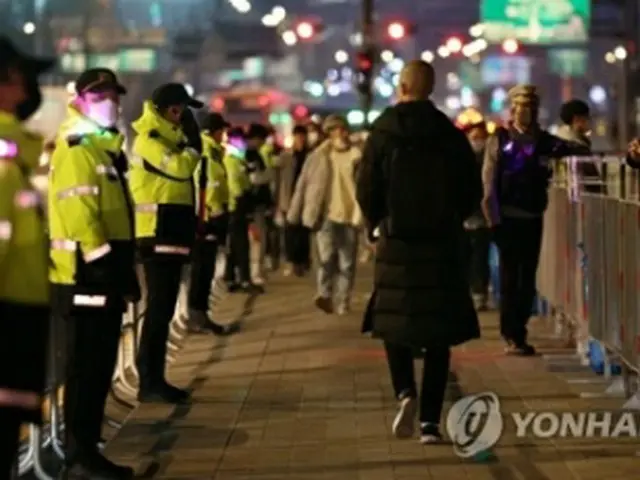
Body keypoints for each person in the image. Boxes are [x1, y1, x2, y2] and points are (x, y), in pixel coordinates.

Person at [356, 59, 482, 444]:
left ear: (402, 87)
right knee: (439, 333)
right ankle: (430, 422)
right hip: (442, 243)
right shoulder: (448, 133)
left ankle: (404, 392)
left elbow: (366, 186)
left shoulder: (382, 132)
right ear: (430, 88)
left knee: (394, 319)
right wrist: (452, 218)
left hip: (396, 241)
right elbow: (470, 189)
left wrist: (375, 223)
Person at [49, 68, 136, 478]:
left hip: (102, 275)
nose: (110, 102)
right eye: (100, 95)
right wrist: (105, 265)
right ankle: (81, 457)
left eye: (114, 95)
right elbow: (80, 215)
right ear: (80, 100)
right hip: (84, 279)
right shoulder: (77, 148)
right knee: (85, 372)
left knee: (99, 368)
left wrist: (121, 272)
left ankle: (87, 451)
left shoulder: (103, 150)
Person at [481, 85, 589, 356]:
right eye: (521, 106)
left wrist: (581, 140)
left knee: (527, 279)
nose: (525, 112)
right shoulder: (500, 139)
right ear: (513, 109)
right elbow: (489, 181)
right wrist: (492, 219)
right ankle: (511, 334)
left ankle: (520, 331)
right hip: (506, 219)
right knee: (509, 279)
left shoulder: (543, 141)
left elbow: (572, 149)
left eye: (530, 107)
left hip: (532, 218)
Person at [0, 36, 54, 479]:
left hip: (16, 331)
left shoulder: (13, 160)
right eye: (20, 78)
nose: (26, 91)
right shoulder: (2, 164)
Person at [129, 83, 203, 403]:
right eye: (177, 110)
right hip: (156, 234)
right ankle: (149, 381)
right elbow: (182, 168)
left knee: (166, 308)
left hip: (172, 234)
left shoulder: (173, 140)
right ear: (161, 110)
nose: (183, 116)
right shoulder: (149, 141)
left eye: (185, 111)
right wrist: (194, 145)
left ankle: (156, 377)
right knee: (159, 309)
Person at [287, 114, 363, 315]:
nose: (341, 133)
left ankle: (343, 300)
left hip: (349, 215)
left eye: (342, 129)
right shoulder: (318, 157)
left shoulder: (357, 156)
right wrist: (295, 212)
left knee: (347, 262)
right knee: (326, 258)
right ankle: (324, 294)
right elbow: (303, 185)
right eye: (335, 129)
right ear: (329, 133)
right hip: (325, 215)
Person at [188, 112, 237, 335]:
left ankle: (200, 316)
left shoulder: (214, 154)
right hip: (205, 222)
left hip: (212, 220)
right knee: (201, 271)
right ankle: (197, 317)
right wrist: (208, 217)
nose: (223, 135)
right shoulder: (206, 154)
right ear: (214, 132)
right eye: (222, 131)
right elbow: (204, 188)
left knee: (205, 271)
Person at [223, 127, 260, 293]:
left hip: (237, 207)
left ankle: (230, 278)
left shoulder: (238, 160)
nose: (242, 144)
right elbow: (236, 187)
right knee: (241, 245)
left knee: (235, 245)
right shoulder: (231, 161)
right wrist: (244, 198)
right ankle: (244, 280)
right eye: (239, 140)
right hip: (236, 207)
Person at [273, 125, 311, 276]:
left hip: (305, 199)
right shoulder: (286, 156)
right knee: (290, 232)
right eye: (298, 136)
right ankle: (292, 261)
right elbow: (277, 178)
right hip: (288, 198)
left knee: (303, 232)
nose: (300, 140)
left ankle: (302, 260)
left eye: (303, 136)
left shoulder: (310, 156)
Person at [462, 121, 491, 310]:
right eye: (474, 138)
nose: (477, 141)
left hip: (483, 217)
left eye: (480, 137)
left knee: (480, 258)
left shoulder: (490, 159)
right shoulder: (460, 158)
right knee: (465, 257)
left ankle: (479, 294)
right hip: (463, 217)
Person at [245, 123, 274, 284]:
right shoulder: (249, 155)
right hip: (253, 205)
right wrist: (267, 176)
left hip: (258, 204)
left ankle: (256, 271)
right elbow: (254, 179)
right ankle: (254, 272)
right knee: (256, 240)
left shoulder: (255, 153)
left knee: (258, 239)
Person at [556, 99, 601, 192]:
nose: (589, 123)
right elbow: (594, 182)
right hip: (580, 200)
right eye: (587, 118)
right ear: (577, 119)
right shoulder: (578, 148)